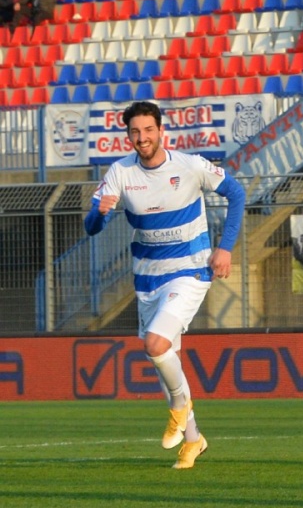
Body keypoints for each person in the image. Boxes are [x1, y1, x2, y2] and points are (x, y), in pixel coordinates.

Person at [82, 101, 245, 470]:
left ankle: (178, 408)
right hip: (148, 278)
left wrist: (224, 248)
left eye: (148, 130)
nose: (142, 138)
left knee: (154, 344)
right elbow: (91, 227)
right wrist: (100, 213)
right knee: (164, 357)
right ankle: (193, 440)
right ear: (129, 136)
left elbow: (236, 194)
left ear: (160, 131)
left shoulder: (189, 165)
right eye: (135, 132)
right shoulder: (119, 173)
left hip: (190, 270)